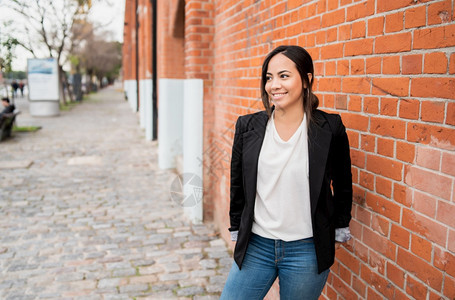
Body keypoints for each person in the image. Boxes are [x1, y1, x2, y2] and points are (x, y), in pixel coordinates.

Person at [221, 45, 353, 300]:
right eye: (269, 78)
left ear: (306, 80)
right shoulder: (248, 127)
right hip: (257, 246)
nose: (274, 85)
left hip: (307, 250)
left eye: (284, 76)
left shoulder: (330, 128)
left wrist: (340, 225)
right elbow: (238, 185)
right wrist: (237, 227)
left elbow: (343, 184)